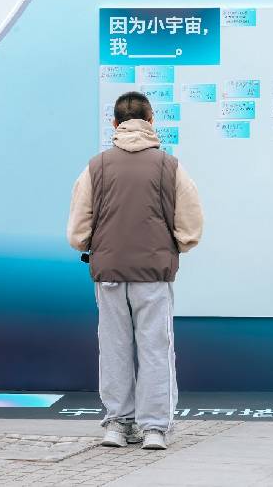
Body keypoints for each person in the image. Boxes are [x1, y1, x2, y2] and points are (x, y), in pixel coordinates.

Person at [67, 91, 203, 451]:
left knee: (114, 348)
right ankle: (155, 428)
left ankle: (117, 424)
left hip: (109, 272)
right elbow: (190, 227)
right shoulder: (170, 166)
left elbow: (78, 230)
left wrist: (92, 245)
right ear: (151, 121)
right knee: (156, 348)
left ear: (114, 123)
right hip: (154, 274)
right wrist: (174, 246)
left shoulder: (95, 167)